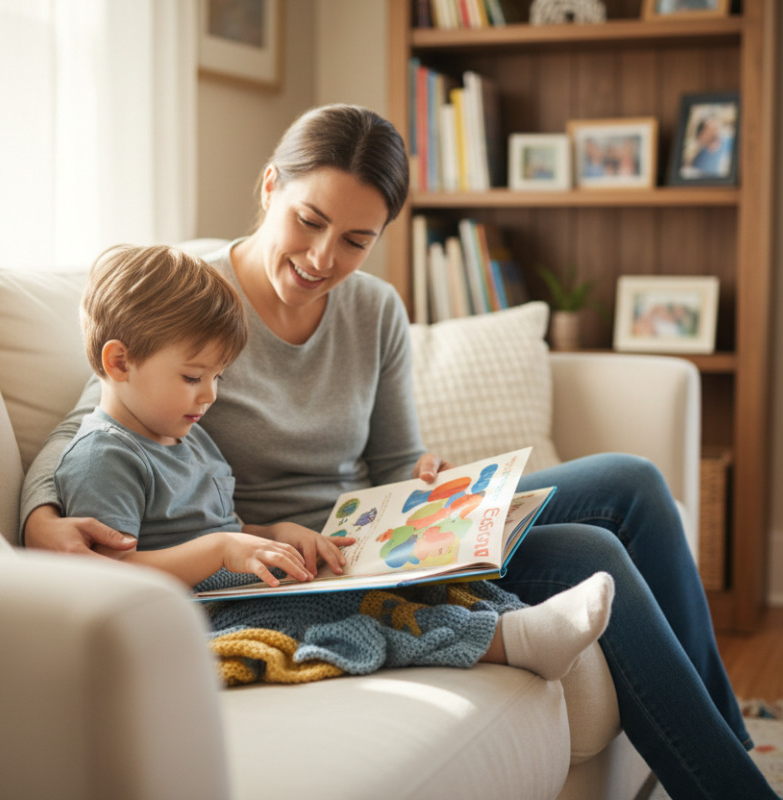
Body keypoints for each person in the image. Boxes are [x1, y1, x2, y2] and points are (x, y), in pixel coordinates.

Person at [21, 104, 778, 798]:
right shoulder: (197, 302)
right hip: (291, 564)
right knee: (590, 547)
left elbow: (392, 462)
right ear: (268, 188)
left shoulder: (375, 309)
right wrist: (42, 515)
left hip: (375, 534)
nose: (322, 257)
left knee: (633, 483)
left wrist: (432, 485)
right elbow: (94, 420)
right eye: (309, 221)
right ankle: (727, 784)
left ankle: (729, 749)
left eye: (356, 240)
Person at [53, 242, 615, 685]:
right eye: (194, 377)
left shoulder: (182, 433)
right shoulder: (106, 456)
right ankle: (513, 641)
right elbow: (103, 580)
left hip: (239, 586)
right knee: (348, 611)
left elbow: (221, 526)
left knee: (396, 584)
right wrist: (220, 552)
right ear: (119, 361)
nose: (210, 396)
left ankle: (507, 619)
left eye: (218, 378)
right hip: (194, 618)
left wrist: (274, 533)